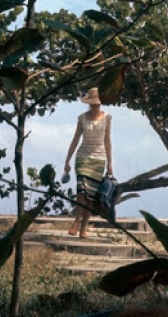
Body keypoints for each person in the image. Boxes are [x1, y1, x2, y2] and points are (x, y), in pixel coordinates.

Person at [64, 87, 113, 238]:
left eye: (97, 103)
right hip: (83, 158)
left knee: (91, 196)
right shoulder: (82, 118)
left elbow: (107, 141)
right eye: (92, 103)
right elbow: (75, 139)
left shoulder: (107, 118)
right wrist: (67, 160)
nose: (95, 106)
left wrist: (110, 164)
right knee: (81, 192)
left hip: (98, 160)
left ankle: (84, 228)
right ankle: (76, 221)